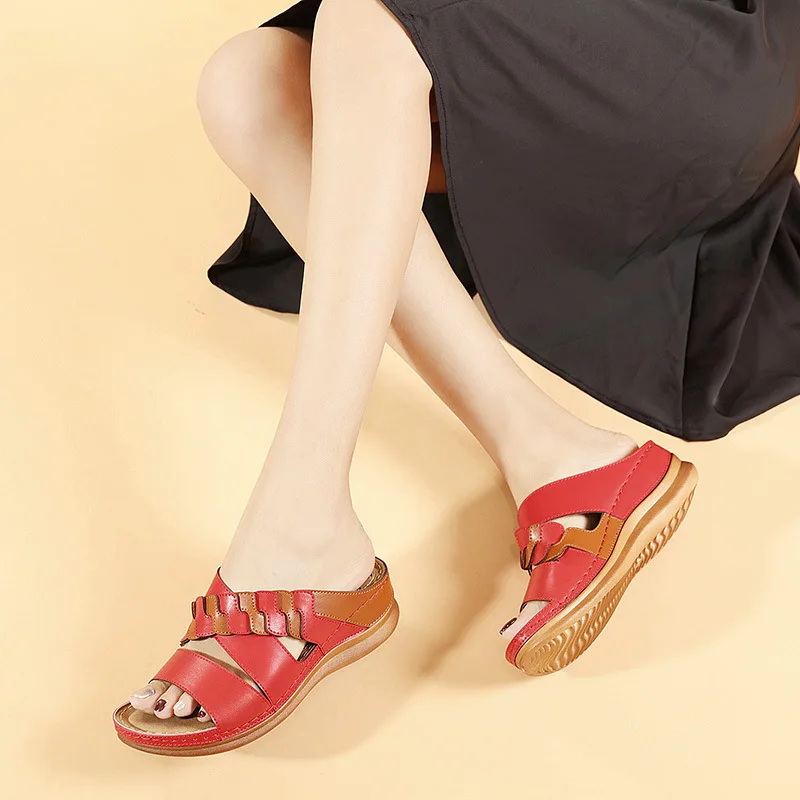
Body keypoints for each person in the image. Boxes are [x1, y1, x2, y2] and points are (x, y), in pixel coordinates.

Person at [112, 0, 799, 756]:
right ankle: (556, 454)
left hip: (714, 47)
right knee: (247, 84)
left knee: (369, 16)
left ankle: (302, 521)